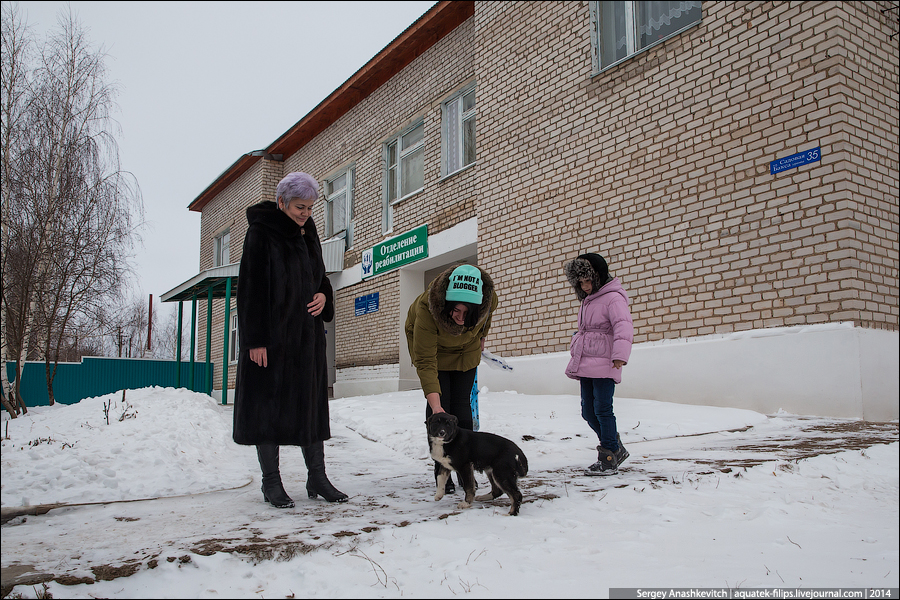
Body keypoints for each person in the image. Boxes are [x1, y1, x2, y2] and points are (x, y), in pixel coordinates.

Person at [233, 172, 347, 506]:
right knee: (267, 412)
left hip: (307, 341)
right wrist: (253, 341)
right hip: (271, 340)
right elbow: (249, 289)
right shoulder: (260, 233)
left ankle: (318, 477)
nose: (306, 214)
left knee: (310, 409)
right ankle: (271, 483)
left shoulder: (308, 231)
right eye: (300, 207)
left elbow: (320, 277)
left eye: (310, 208)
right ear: (282, 202)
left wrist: (324, 296)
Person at [405, 264, 499, 493]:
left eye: (468, 313)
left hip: (465, 350)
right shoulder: (427, 309)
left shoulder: (489, 300)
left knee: (461, 407)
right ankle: (441, 471)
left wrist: (482, 337)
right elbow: (426, 362)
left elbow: (484, 322)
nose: (461, 317)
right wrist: (437, 408)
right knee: (442, 408)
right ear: (446, 303)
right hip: (432, 351)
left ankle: (465, 469)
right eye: (456, 310)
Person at [563, 253, 634, 476]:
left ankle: (609, 457)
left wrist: (620, 355)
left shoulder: (613, 297)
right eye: (580, 282)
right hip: (586, 361)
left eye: (588, 280)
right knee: (587, 412)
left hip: (606, 362)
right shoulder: (588, 300)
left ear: (599, 276)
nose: (584, 286)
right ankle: (614, 446)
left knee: (603, 410)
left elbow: (623, 325)